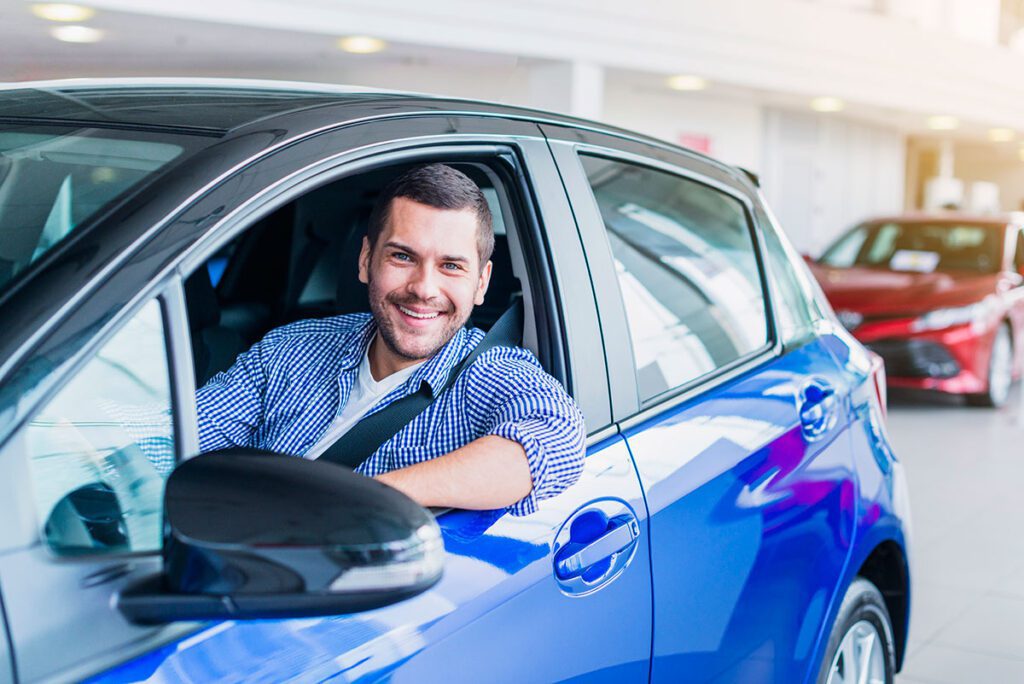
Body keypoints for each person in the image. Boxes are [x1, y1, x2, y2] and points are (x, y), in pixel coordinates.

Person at [195, 164, 585, 515]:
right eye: (402, 257)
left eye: (451, 266)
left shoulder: (491, 373)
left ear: (481, 283)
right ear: (366, 259)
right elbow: (183, 435)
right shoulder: (290, 348)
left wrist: (366, 496)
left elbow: (557, 442)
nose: (423, 289)